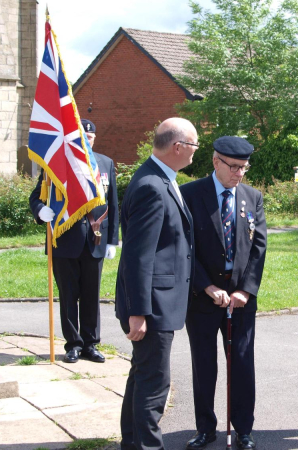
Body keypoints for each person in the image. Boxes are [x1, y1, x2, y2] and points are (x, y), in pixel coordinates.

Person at [115, 117, 197, 450]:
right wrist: (139, 311)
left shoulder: (159, 177)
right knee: (153, 384)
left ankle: (133, 443)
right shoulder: (151, 184)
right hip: (152, 305)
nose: (195, 152)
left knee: (142, 377)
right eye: (194, 145)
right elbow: (138, 255)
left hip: (156, 302)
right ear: (178, 147)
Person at [180, 136, 267, 450]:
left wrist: (246, 290)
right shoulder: (190, 195)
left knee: (242, 365)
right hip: (203, 298)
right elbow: (185, 247)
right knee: (204, 366)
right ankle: (205, 428)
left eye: (244, 167)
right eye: (233, 166)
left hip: (241, 301)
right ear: (215, 161)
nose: (239, 173)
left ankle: (244, 429)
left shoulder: (252, 197)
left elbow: (258, 248)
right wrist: (206, 286)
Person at [29, 118, 119, 364]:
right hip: (64, 241)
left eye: (90, 138)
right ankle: (74, 345)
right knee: (68, 296)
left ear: (95, 139)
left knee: (92, 295)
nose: (87, 141)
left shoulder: (105, 163)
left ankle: (91, 344)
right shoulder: (57, 165)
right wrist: (40, 211)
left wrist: (113, 239)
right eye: (82, 137)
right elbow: (36, 197)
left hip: (95, 238)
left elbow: (112, 203)